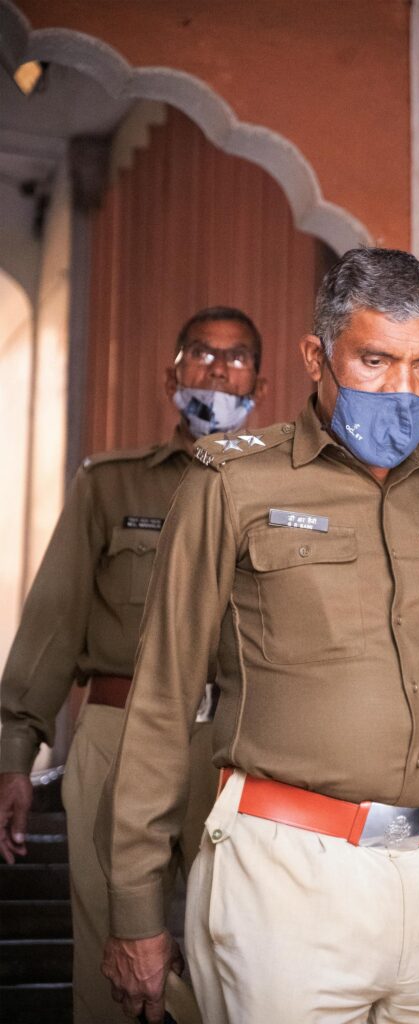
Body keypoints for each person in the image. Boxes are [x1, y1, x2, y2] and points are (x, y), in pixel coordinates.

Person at [97, 249, 419, 1024]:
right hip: (285, 879)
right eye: (375, 361)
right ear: (317, 355)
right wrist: (134, 906)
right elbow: (164, 699)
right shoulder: (234, 483)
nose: (402, 392)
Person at [0, 306, 266, 1023]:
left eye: (235, 358)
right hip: (119, 734)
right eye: (201, 355)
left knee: (244, 959)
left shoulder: (283, 493)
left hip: (244, 747)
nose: (217, 370)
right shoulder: (110, 486)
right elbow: (54, 623)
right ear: (171, 374)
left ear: (260, 382)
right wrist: (15, 753)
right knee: (112, 966)